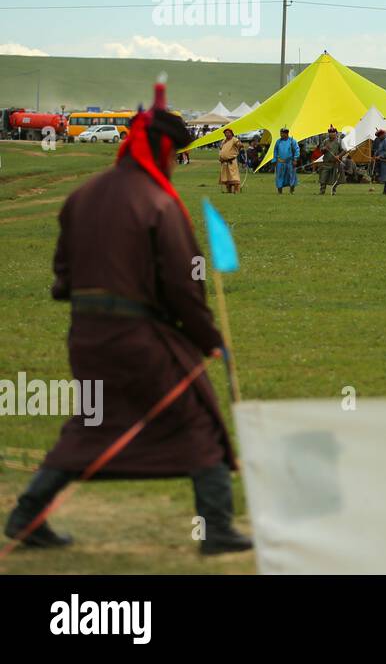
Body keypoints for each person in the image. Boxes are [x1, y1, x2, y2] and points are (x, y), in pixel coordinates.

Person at [4, 81, 252, 555]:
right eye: (174, 155)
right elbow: (183, 284)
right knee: (197, 418)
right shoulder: (160, 204)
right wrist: (207, 337)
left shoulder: (83, 196)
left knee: (91, 424)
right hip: (137, 337)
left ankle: (25, 514)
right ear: (160, 151)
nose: (175, 165)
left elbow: (63, 275)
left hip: (87, 335)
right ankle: (217, 529)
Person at [271, 127, 299, 194]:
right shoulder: (278, 141)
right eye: (281, 133)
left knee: (291, 176)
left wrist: (295, 159)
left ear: (287, 134)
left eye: (283, 133)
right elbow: (275, 151)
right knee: (279, 176)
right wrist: (274, 159)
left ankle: (292, 190)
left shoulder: (292, 141)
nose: (281, 135)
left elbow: (296, 150)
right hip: (280, 162)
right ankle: (279, 191)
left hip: (290, 162)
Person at [318, 126, 344, 195]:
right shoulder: (325, 141)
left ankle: (334, 190)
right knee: (323, 177)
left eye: (333, 132)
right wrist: (325, 148)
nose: (331, 134)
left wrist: (339, 156)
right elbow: (321, 150)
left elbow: (344, 150)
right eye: (330, 132)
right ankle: (322, 191)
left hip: (335, 163)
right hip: (326, 162)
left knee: (335, 178)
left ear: (336, 133)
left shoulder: (339, 141)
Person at [217, 128, 243, 193]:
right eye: (225, 133)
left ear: (231, 133)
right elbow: (221, 150)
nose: (227, 134)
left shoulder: (234, 140)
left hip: (232, 161)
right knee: (226, 177)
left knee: (234, 176)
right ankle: (229, 190)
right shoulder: (223, 141)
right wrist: (220, 157)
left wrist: (240, 145)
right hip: (224, 162)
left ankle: (236, 190)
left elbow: (239, 145)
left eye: (228, 132)